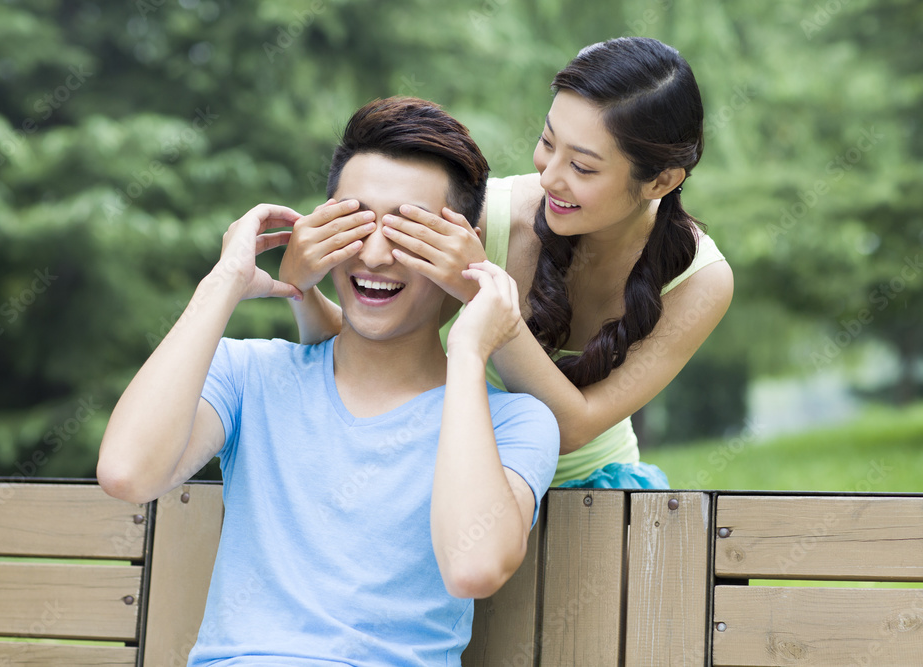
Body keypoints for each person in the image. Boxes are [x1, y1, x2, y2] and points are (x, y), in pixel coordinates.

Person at [96, 96, 559, 666]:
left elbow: (473, 566)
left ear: (459, 249)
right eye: (354, 221)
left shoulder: (516, 422)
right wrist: (225, 282)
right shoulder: (250, 375)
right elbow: (126, 473)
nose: (375, 253)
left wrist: (469, 348)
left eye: (410, 231)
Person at [280, 37, 733, 489]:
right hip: (466, 484)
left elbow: (572, 428)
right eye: (547, 141)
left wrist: (484, 298)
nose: (549, 175)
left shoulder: (700, 280)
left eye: (583, 167)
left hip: (597, 497)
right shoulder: (486, 222)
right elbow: (371, 344)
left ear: (662, 180)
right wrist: (300, 288)